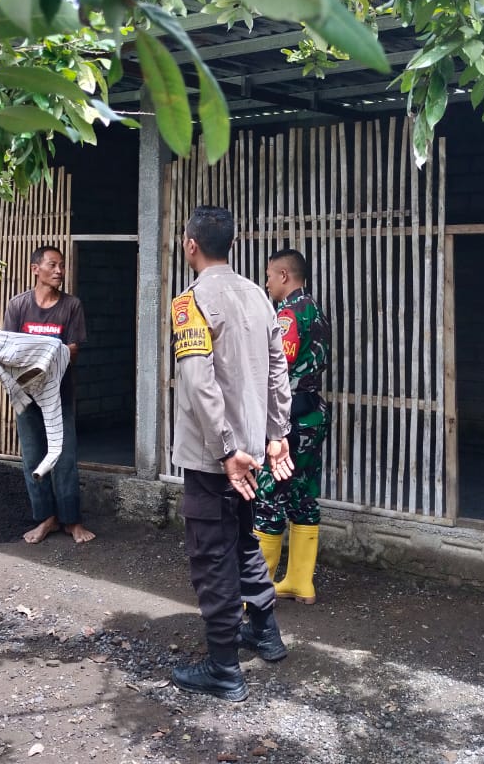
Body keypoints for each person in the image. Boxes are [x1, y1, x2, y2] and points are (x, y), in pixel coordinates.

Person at [169, 206, 295, 703]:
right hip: (252, 451)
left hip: (214, 457)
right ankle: (264, 633)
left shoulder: (190, 302)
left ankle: (223, 668)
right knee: (243, 538)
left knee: (212, 554)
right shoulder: (259, 298)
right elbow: (277, 372)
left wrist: (224, 451)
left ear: (191, 245)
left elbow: (200, 384)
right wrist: (276, 433)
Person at [253, 249, 332, 605]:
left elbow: (277, 369)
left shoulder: (289, 314)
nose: (266, 281)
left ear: (284, 276)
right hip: (312, 414)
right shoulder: (315, 309)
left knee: (268, 495)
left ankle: (255, 590)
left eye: (269, 275)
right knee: (302, 495)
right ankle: (300, 582)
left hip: (292, 421)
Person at [2, 245, 96, 544]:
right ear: (35, 269)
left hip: (59, 396)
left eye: (61, 266)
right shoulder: (18, 306)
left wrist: (42, 352)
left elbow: (73, 349)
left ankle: (71, 520)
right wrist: (46, 352)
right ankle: (46, 518)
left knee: (64, 458)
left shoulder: (71, 306)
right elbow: (9, 351)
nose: (59, 271)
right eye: (52, 265)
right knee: (33, 457)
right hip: (26, 397)